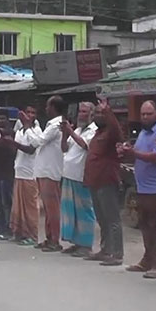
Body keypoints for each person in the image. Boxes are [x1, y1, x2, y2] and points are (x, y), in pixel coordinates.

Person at [119, 100, 156, 278]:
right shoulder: (143, 132)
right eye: (143, 114)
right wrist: (128, 151)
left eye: (149, 114)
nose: (145, 117)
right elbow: (139, 155)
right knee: (144, 224)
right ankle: (147, 258)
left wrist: (135, 153)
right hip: (142, 186)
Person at [84, 101, 125, 266]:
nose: (99, 116)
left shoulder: (110, 133)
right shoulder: (97, 133)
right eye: (96, 113)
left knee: (112, 218)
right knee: (102, 218)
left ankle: (117, 254)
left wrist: (109, 112)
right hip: (95, 182)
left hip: (107, 181)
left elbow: (117, 132)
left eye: (102, 113)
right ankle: (105, 249)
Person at [28, 96, 66, 252]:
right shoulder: (52, 124)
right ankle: (49, 237)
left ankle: (55, 240)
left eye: (48, 106)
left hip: (50, 171)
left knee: (52, 208)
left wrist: (28, 127)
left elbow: (39, 141)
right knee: (49, 208)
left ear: (54, 108)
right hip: (44, 170)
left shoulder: (56, 125)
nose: (45, 109)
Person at [60, 101, 97, 257]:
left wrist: (71, 132)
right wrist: (65, 133)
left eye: (84, 112)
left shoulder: (93, 130)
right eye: (80, 111)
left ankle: (86, 245)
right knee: (71, 211)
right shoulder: (78, 129)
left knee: (84, 211)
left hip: (81, 176)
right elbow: (64, 148)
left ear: (91, 114)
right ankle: (76, 242)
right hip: (69, 174)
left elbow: (84, 145)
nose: (81, 114)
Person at [9, 105, 40, 246]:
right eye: (28, 112)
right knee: (18, 206)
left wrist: (14, 144)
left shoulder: (36, 131)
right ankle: (20, 233)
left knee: (30, 207)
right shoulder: (19, 131)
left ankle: (32, 235)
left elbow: (31, 149)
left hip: (30, 173)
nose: (30, 114)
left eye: (33, 112)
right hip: (19, 171)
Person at [0, 122, 15, 239]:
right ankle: (1, 228)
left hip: (7, 175)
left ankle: (7, 229)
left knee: (6, 203)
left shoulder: (9, 140)